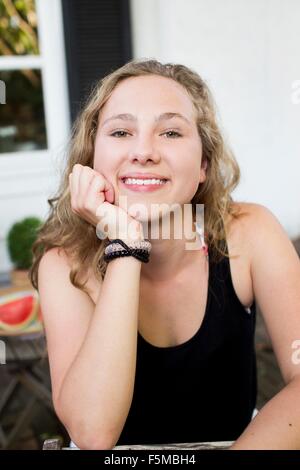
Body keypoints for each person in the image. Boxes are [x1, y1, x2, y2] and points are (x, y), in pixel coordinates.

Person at [30, 59, 300, 450]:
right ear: (90, 159)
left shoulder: (250, 233)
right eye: (121, 131)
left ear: (204, 164)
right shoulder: (65, 264)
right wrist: (124, 243)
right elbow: (92, 434)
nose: (143, 151)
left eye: (171, 132)